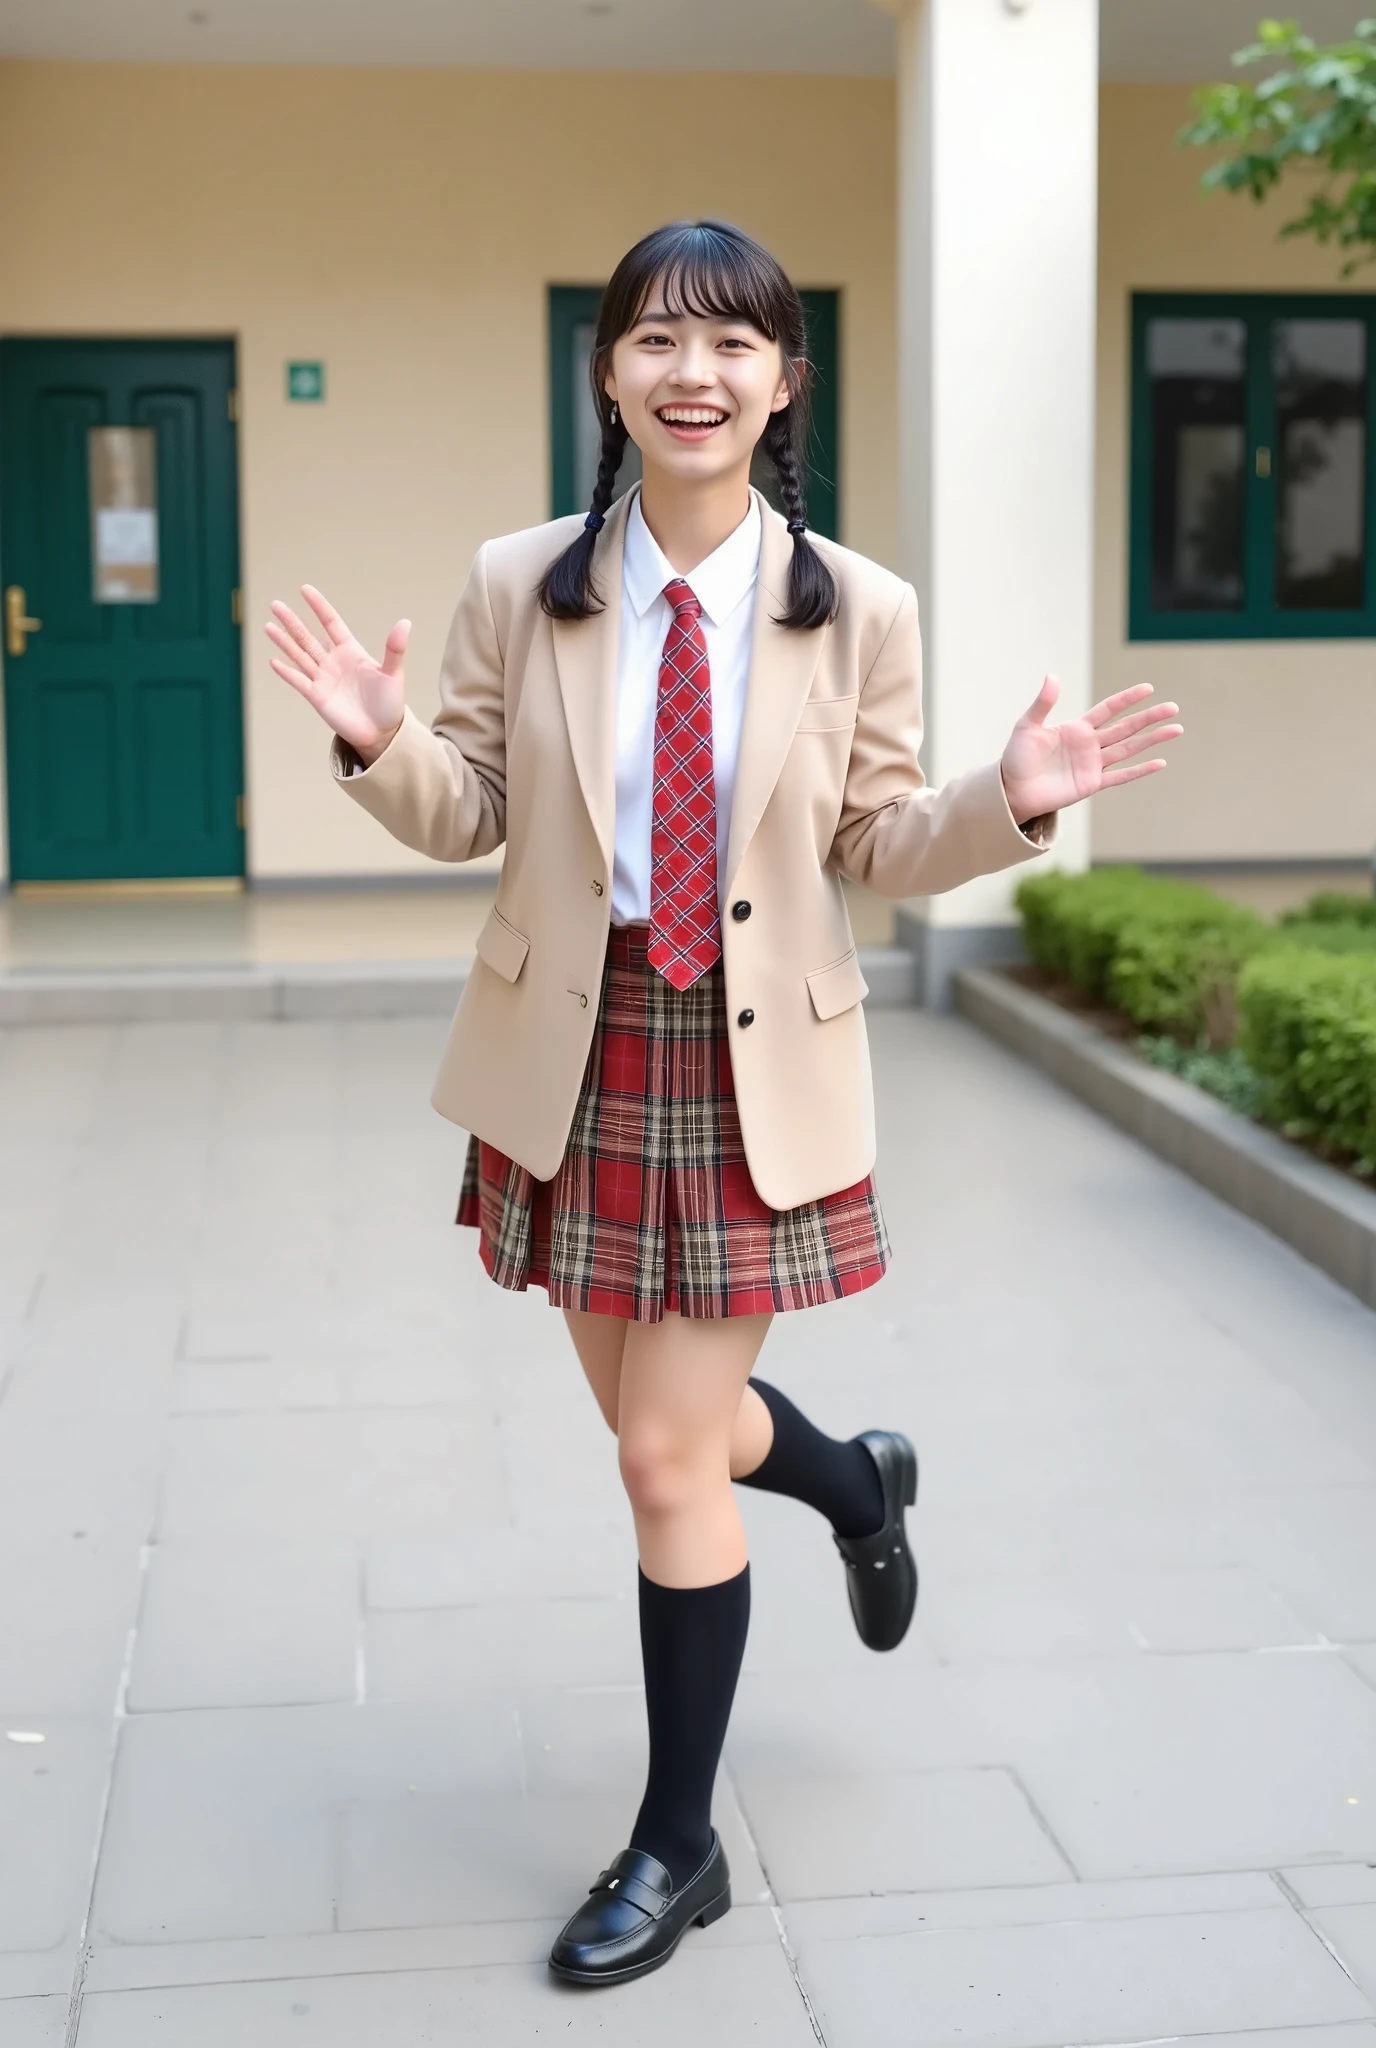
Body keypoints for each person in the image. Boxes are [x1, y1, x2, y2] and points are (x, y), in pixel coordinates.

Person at [266, 219, 1181, 1988]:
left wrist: (1015, 797)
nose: (696, 373)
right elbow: (473, 814)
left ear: (782, 383)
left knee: (660, 1449)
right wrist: (382, 745)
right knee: (668, 1423)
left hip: (761, 1065)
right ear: (607, 374)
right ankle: (855, 1481)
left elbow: (875, 841)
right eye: (658, 342)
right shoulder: (522, 578)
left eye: (735, 344)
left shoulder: (861, 605)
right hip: (576, 1057)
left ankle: (678, 1845)